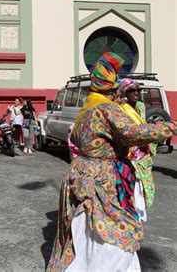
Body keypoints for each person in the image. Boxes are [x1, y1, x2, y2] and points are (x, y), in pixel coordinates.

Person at [47, 52, 176, 271]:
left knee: (85, 234)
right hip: (101, 180)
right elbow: (133, 132)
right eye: (117, 89)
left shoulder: (85, 111)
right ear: (111, 89)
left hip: (80, 175)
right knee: (113, 237)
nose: (120, 94)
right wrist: (170, 127)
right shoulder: (106, 110)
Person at [118, 78, 156, 222]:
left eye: (138, 90)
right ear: (124, 92)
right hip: (128, 155)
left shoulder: (140, 106)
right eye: (131, 90)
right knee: (131, 189)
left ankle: (137, 218)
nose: (136, 93)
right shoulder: (120, 109)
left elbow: (142, 125)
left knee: (142, 188)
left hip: (142, 155)